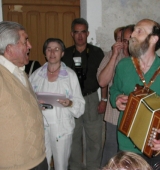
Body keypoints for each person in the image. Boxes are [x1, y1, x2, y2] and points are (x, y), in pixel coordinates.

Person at [110, 19, 160, 168]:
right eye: (133, 30)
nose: (132, 34)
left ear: (154, 38)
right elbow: (114, 90)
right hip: (127, 142)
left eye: (139, 31)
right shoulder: (124, 66)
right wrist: (116, 98)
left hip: (156, 145)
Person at [29, 38, 85, 170]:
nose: (52, 52)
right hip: (40, 127)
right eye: (49, 49)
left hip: (62, 128)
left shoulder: (70, 76)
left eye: (56, 49)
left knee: (61, 165)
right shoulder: (36, 75)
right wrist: (36, 105)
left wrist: (70, 103)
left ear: (62, 53)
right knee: (42, 163)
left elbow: (80, 104)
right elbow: (28, 100)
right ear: (45, 53)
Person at [0, 21, 48, 170]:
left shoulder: (20, 71)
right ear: (10, 49)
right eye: (25, 41)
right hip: (16, 165)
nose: (30, 46)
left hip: (38, 158)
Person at [62, 18, 107, 170]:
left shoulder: (96, 52)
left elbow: (104, 77)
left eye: (83, 32)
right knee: (73, 136)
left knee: (94, 137)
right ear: (72, 34)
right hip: (71, 100)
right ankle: (75, 166)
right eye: (76, 32)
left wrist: (104, 100)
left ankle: (93, 167)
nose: (80, 36)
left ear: (87, 33)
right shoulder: (65, 54)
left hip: (92, 98)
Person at [97, 25, 134, 167]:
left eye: (129, 40)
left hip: (134, 117)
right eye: (122, 40)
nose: (126, 44)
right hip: (114, 116)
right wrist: (114, 56)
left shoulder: (141, 59)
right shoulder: (111, 56)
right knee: (111, 154)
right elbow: (102, 82)